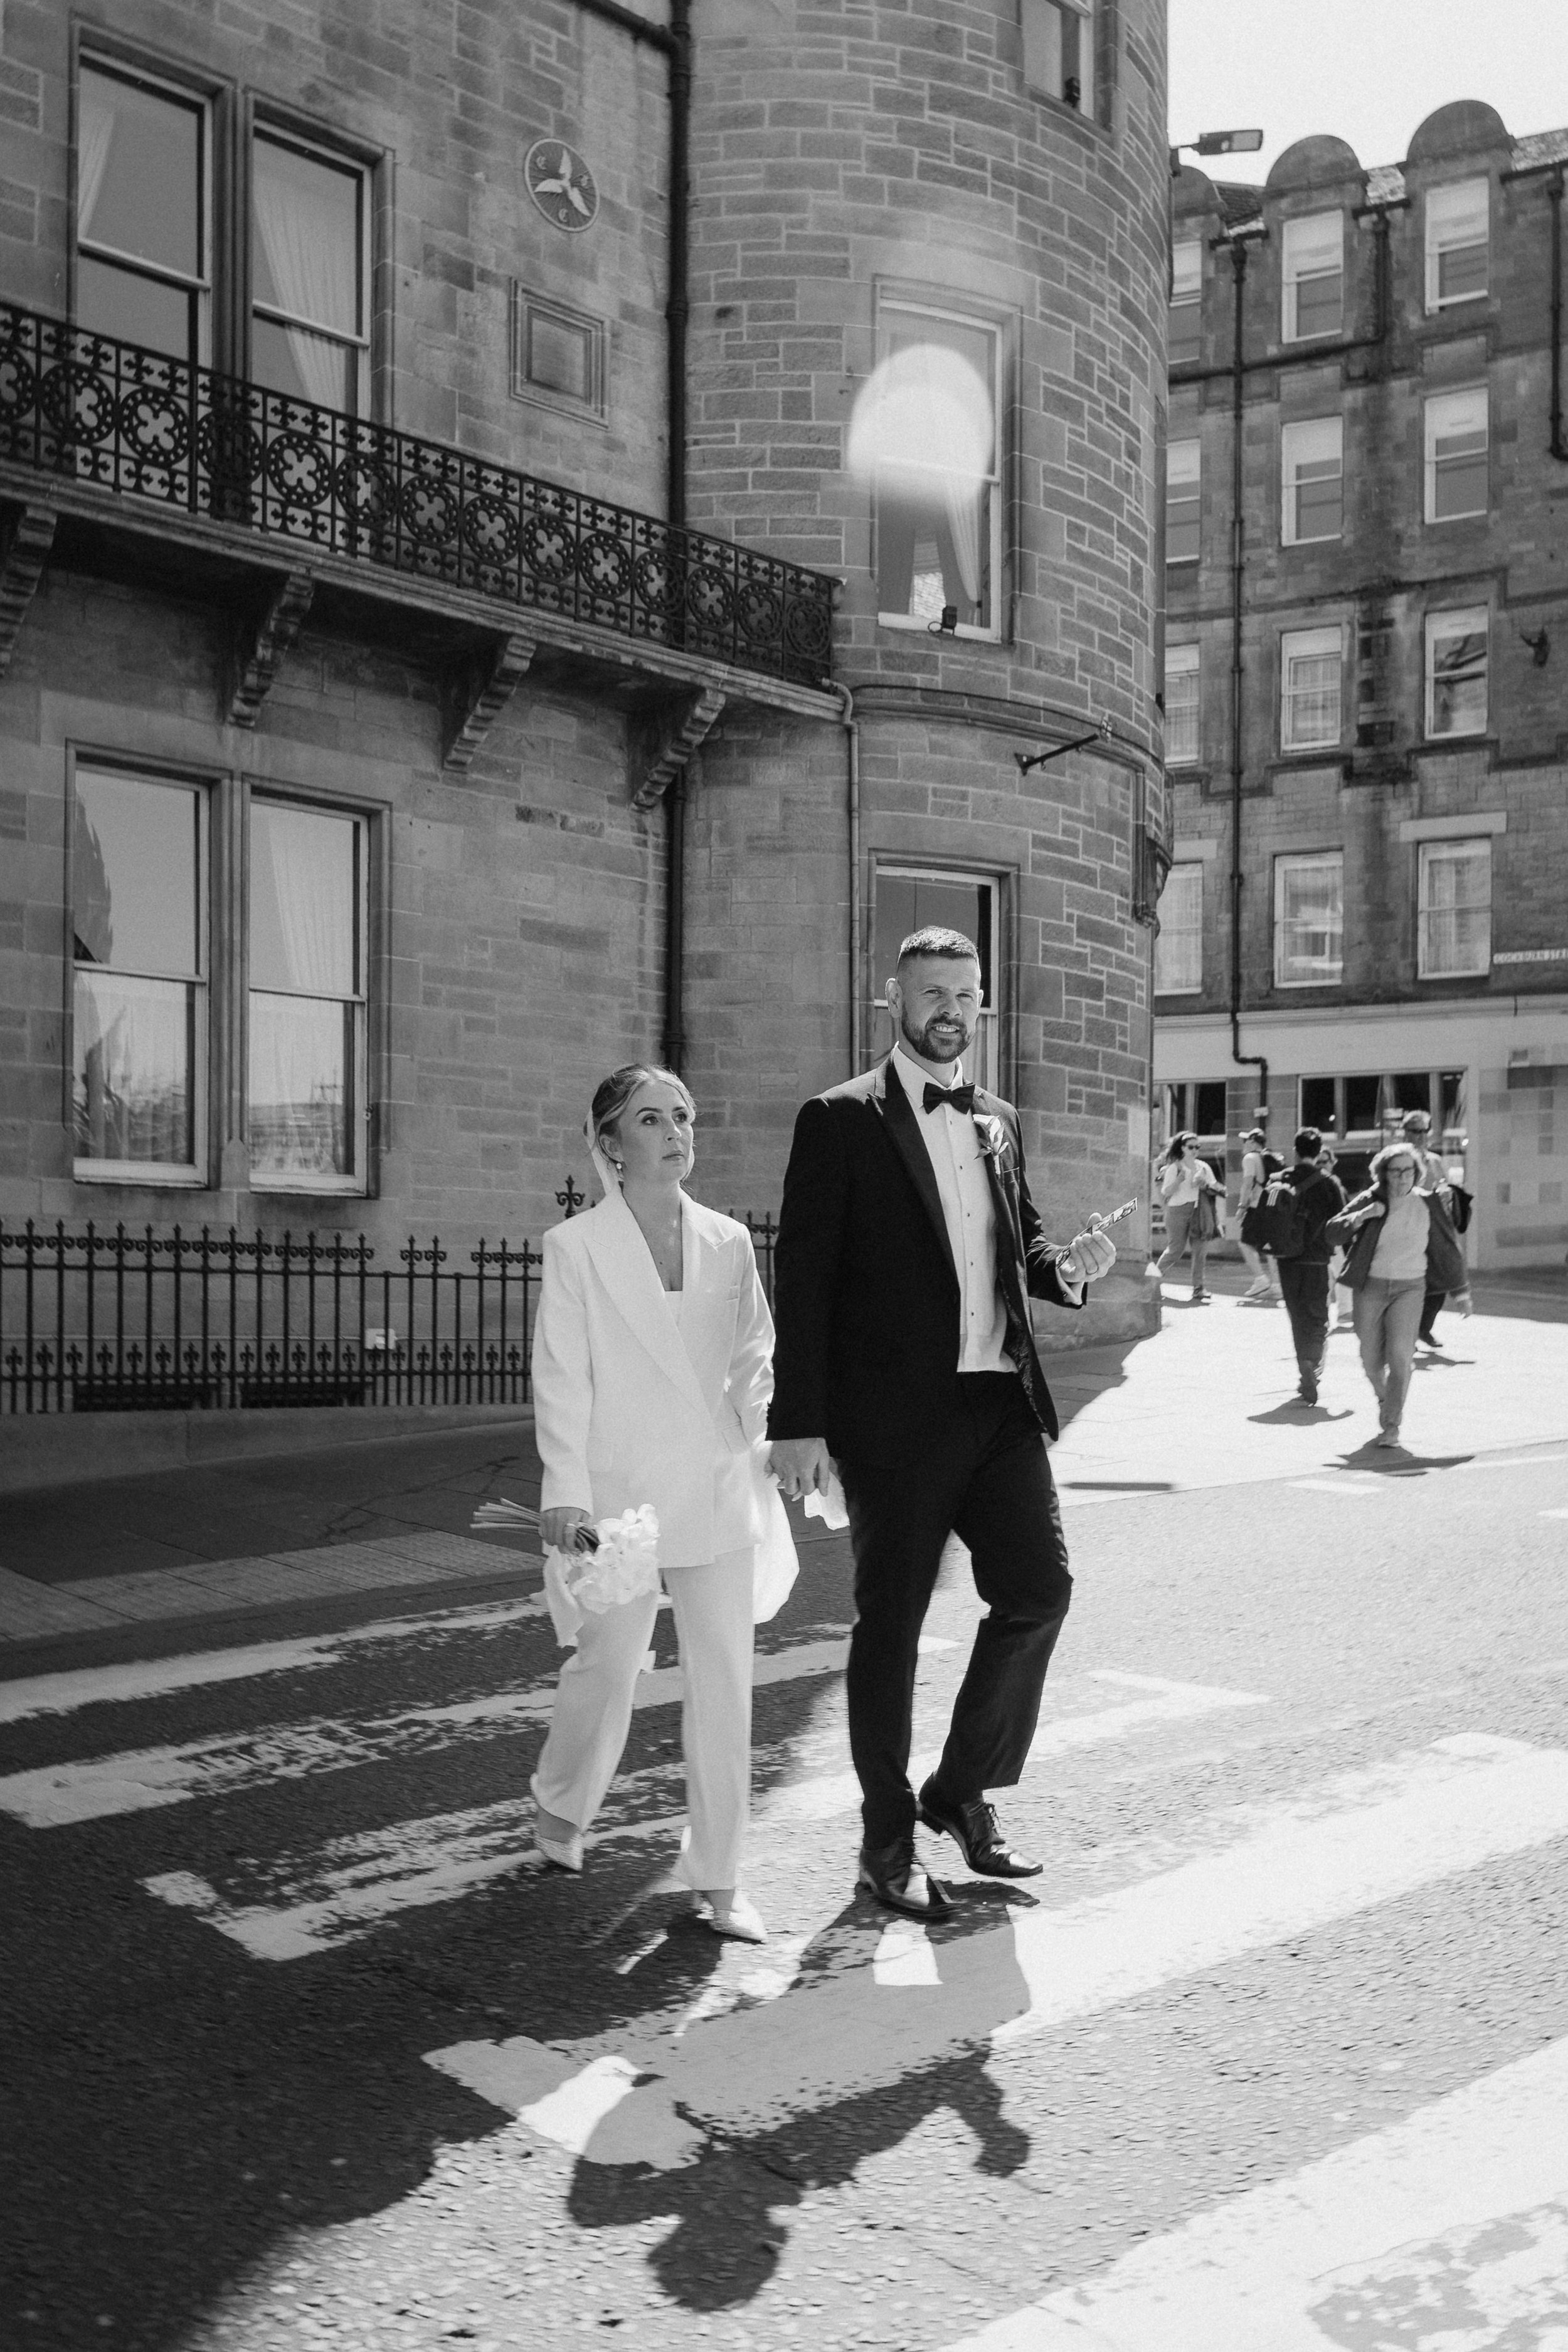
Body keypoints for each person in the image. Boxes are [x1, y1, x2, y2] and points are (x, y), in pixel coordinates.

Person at [766, 926, 1118, 1921]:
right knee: (893, 1626)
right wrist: (799, 1421)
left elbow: (1024, 1249)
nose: (951, 1009)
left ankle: (958, 1791)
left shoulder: (998, 1118)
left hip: (998, 1405)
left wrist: (1067, 1269)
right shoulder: (838, 1120)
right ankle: (884, 1844)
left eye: (966, 993)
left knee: (1039, 1590)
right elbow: (806, 1278)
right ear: (894, 999)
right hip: (895, 1420)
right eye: (933, 992)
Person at [529, 1062, 797, 1945]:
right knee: (608, 1666)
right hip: (618, 1499)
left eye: (683, 1115)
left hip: (719, 1485)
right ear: (611, 1143)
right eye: (652, 1118)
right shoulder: (574, 1248)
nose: (676, 1131)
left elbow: (755, 1355)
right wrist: (564, 1493)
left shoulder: (727, 1240)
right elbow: (563, 1381)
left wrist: (774, 1438)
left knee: (725, 1682)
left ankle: (719, 1876)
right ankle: (562, 1805)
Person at [1329, 1141, 1471, 1449]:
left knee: (1400, 1356)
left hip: (1411, 1287)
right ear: (1383, 1174)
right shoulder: (1371, 1199)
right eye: (1396, 1172)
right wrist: (1362, 1216)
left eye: (1409, 1171)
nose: (1403, 1177)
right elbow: (1332, 1231)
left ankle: (1391, 1424)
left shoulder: (1428, 1202)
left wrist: (1461, 1292)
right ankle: (1386, 1397)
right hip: (1371, 1286)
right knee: (1369, 1359)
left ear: (1417, 1173)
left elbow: (1446, 1247)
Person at [1274, 1126, 1345, 1407]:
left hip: (1286, 1260)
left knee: (1297, 1315)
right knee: (1317, 1316)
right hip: (1316, 1259)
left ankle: (1304, 1365)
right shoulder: (1329, 1183)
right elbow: (1341, 1222)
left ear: (1295, 1150)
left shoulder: (1279, 1180)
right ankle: (1311, 1364)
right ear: (1318, 1154)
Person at [1398, 1110, 1454, 1352]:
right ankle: (1406, 1333)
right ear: (1406, 1133)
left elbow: (1445, 1189)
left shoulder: (1435, 1161)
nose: (1421, 1136)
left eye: (1425, 1131)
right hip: (1407, 1230)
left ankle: (1424, 1327)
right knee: (1411, 1285)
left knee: (1440, 1283)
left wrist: (1447, 1197)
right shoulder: (1397, 1159)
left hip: (1433, 1230)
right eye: (1416, 1131)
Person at [1153, 1131, 1225, 1303]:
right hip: (1177, 1211)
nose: (1195, 1150)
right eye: (1191, 1147)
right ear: (1182, 1148)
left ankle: (1198, 1288)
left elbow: (1214, 1185)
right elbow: (1166, 1191)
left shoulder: (1203, 1167)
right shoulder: (1175, 1167)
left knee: (1200, 1251)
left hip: (1197, 1211)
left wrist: (1207, 1184)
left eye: (1197, 1147)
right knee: (1175, 1251)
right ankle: (1152, 1282)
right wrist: (1179, 1179)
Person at [1236, 1125, 1284, 1303]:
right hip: (1272, 1208)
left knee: (1244, 1243)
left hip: (1256, 1207)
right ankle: (1277, 1286)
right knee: (1270, 1248)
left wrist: (1242, 1206)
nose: (1243, 1144)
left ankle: (1260, 1279)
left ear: (1253, 1142)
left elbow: (1248, 1183)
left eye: (1246, 1140)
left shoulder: (1250, 1158)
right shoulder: (1271, 1158)